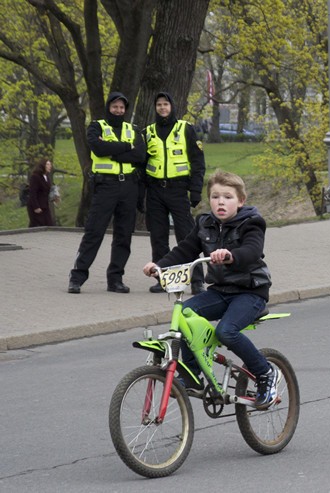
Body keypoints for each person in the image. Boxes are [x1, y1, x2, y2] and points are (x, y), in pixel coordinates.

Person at [142, 170, 278, 408]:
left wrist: (230, 255)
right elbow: (185, 250)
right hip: (220, 291)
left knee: (227, 331)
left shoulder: (252, 223)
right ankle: (192, 377)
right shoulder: (204, 223)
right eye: (215, 197)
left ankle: (266, 372)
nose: (221, 202)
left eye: (227, 197)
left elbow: (252, 251)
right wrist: (159, 265)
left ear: (241, 201)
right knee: (184, 315)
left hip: (250, 292)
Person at [68, 92, 146, 294]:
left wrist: (115, 152)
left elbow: (140, 154)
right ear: (108, 108)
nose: (118, 111)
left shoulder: (133, 129)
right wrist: (126, 147)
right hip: (106, 186)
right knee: (94, 232)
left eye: (122, 108)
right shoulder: (96, 126)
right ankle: (77, 276)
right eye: (115, 107)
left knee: (124, 236)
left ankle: (115, 279)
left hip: (129, 187)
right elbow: (98, 148)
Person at [144, 92, 206, 294]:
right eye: (159, 104)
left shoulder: (185, 128)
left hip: (178, 189)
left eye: (166, 104)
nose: (162, 108)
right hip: (155, 190)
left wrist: (195, 190)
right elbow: (141, 163)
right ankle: (164, 279)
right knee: (158, 236)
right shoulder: (148, 132)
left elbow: (198, 162)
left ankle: (197, 280)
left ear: (172, 107)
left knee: (187, 235)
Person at [27, 158, 54, 227]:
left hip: (45, 206)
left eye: (50, 164)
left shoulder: (46, 177)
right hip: (36, 206)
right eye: (48, 164)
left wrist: (54, 197)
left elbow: (46, 191)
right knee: (37, 226)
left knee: (49, 225)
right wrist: (36, 207)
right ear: (42, 165)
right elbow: (32, 193)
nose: (50, 166)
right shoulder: (35, 177)